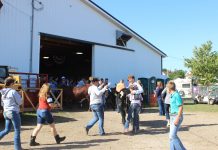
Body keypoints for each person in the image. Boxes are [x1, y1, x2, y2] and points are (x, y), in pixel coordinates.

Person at [0, 77, 23, 150]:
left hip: (6, 112)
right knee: (17, 130)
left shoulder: (3, 92)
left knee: (6, 130)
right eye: (14, 83)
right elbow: (20, 102)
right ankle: (17, 148)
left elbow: (2, 104)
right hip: (13, 112)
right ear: (12, 84)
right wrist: (20, 95)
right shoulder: (13, 92)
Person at [167, 81, 186, 150]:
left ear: (169, 88)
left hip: (176, 116)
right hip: (172, 116)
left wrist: (177, 118)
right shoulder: (172, 95)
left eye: (167, 88)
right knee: (171, 136)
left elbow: (181, 107)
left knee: (173, 135)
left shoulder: (176, 95)